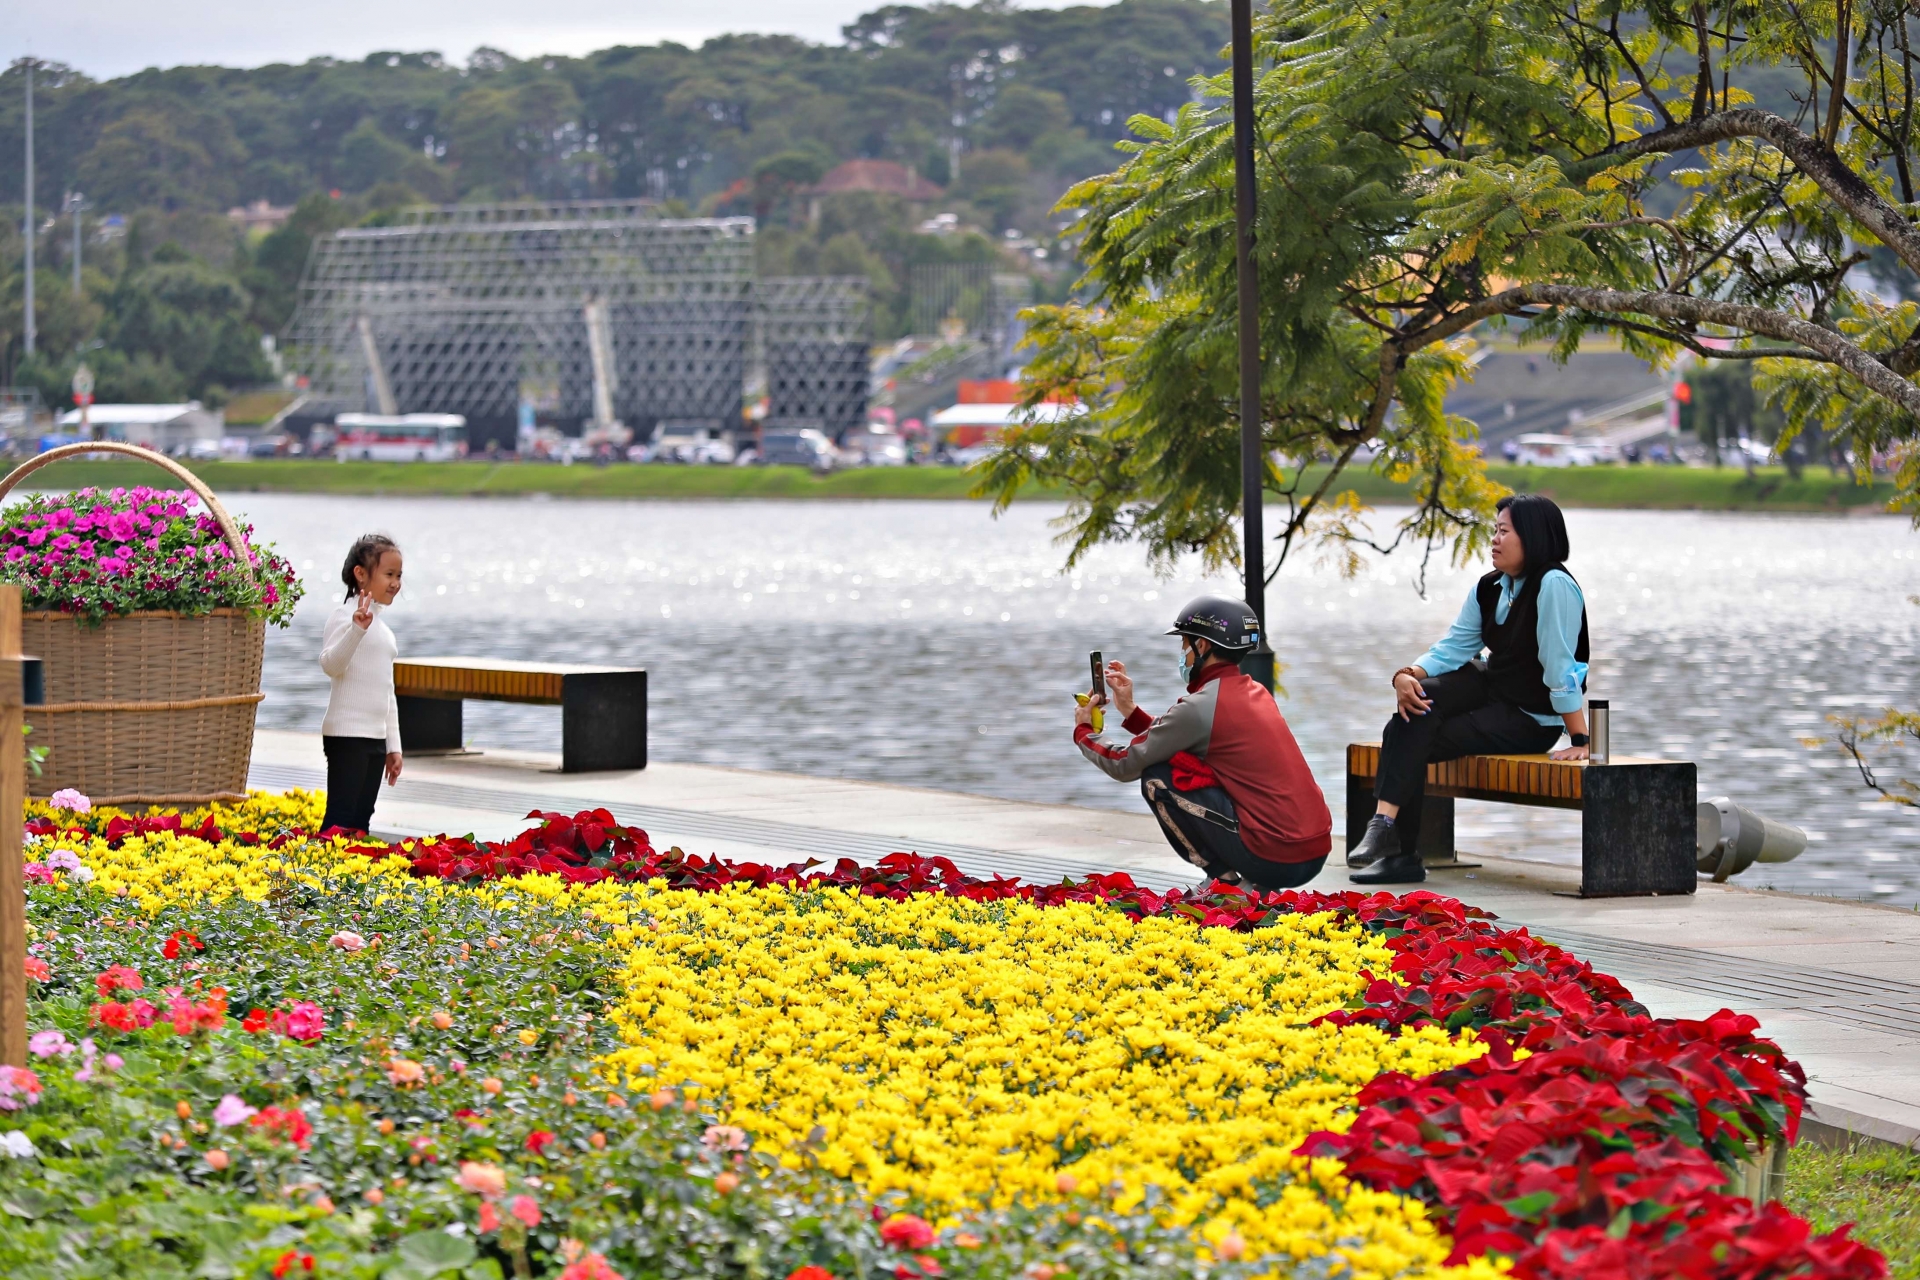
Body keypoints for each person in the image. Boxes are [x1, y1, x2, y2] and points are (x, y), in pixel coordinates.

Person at [1345, 494, 1591, 885]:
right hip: (1493, 693)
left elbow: (1560, 667)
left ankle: (1398, 848)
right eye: (1494, 530)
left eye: (1504, 531)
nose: (1494, 539)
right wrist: (1407, 674)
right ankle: (1386, 829)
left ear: (1533, 536)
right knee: (1417, 705)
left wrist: (1579, 736)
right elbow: (1455, 646)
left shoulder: (1553, 585)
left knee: (1405, 730)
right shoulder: (1491, 586)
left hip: (1531, 718)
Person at [1073, 596, 1332, 888]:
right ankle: (1242, 880)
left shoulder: (1202, 706)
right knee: (1182, 764)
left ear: (1203, 646)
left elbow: (1124, 764)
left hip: (1275, 860)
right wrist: (1130, 712)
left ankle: (1225, 882)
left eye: (1185, 644)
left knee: (1157, 778)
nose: (1182, 653)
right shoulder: (1255, 692)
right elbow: (1178, 735)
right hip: (1313, 853)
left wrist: (1083, 730)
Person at [318, 534, 405, 834]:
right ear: (361, 574)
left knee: (360, 822)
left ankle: (348, 877)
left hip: (374, 739)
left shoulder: (384, 630)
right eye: (388, 574)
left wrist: (393, 746)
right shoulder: (344, 617)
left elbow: (388, 692)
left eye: (398, 576)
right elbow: (331, 665)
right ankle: (320, 874)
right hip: (346, 735)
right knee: (340, 819)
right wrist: (356, 630)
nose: (395, 583)